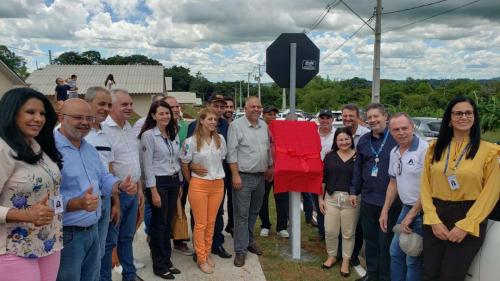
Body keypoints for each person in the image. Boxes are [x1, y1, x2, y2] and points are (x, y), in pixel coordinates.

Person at [420, 96, 500, 281]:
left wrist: (466, 224)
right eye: (458, 113)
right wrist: (432, 218)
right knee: (429, 272)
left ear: (474, 117)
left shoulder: (488, 151)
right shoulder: (435, 148)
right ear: (450, 118)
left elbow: (491, 193)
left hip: (469, 215)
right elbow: (425, 186)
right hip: (436, 214)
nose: (463, 117)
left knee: (451, 275)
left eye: (468, 113)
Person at [55, 99, 135, 281]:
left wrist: (119, 185)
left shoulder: (89, 149)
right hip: (67, 234)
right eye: (77, 117)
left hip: (94, 229)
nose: (84, 122)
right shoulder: (50, 150)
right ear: (61, 117)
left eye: (89, 118)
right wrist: (77, 203)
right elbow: (43, 198)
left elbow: (103, 177)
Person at [0, 88, 63, 281]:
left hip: (48, 242)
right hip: (13, 249)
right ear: (11, 112)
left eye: (42, 113)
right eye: (30, 112)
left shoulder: (37, 147)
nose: (39, 118)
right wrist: (24, 215)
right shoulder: (2, 149)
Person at [350, 103, 399, 281]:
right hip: (368, 200)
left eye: (376, 116)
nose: (372, 120)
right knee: (370, 241)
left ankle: (384, 278)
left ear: (386, 116)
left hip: (391, 203)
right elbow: (357, 168)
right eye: (369, 117)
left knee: (385, 244)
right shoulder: (364, 141)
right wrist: (353, 191)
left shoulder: (396, 138)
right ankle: (372, 275)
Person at [379, 113, 428, 281]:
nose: (401, 132)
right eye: (396, 129)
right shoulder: (395, 151)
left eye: (404, 128)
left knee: (412, 257)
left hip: (422, 211)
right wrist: (385, 210)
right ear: (391, 132)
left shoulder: (425, 150)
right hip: (406, 208)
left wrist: (412, 214)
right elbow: (393, 182)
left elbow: (430, 189)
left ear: (412, 127)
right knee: (395, 252)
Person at [101, 89, 144, 281]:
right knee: (110, 241)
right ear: (111, 107)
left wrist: (140, 189)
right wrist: (116, 199)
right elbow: (107, 167)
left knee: (127, 237)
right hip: (116, 194)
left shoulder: (129, 127)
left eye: (131, 104)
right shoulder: (103, 129)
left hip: (133, 191)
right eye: (124, 104)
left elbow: (134, 161)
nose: (129, 108)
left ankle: (129, 274)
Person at [227, 96, 273, 267]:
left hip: (260, 177)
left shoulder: (264, 126)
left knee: (254, 212)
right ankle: (240, 250)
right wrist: (235, 175)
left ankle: (249, 241)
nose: (256, 109)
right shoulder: (236, 126)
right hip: (243, 177)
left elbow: (267, 149)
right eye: (252, 106)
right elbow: (231, 152)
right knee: (241, 215)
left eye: (258, 106)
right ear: (245, 108)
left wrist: (270, 166)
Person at [180, 108, 227, 274]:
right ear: (201, 120)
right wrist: (191, 181)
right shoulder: (189, 142)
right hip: (199, 184)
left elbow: (220, 160)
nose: (213, 122)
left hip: (218, 184)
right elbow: (184, 163)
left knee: (211, 223)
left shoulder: (220, 139)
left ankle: (207, 252)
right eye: (209, 119)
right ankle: (201, 258)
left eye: (215, 119)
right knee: (200, 224)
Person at [139, 100, 182, 279]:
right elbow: (147, 166)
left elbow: (177, 160)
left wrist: (179, 183)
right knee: (159, 224)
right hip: (158, 183)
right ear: (153, 116)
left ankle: (167, 260)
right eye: (161, 113)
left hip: (173, 182)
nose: (165, 116)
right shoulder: (148, 135)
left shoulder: (173, 133)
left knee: (167, 224)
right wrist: (153, 191)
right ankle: (159, 264)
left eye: (167, 113)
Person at [187, 94, 232, 259]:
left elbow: (222, 157)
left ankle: (214, 245)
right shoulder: (194, 129)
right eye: (216, 105)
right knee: (200, 220)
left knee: (215, 217)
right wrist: (191, 171)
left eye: (222, 106)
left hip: (218, 181)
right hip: (200, 182)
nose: (219, 110)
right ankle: (199, 253)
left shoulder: (225, 127)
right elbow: (187, 158)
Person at [83, 87, 121, 275]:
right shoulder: (69, 132)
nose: (106, 108)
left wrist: (115, 202)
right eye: (101, 104)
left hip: (105, 198)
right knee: (86, 253)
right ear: (87, 103)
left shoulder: (106, 134)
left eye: (108, 105)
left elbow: (109, 169)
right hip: (83, 202)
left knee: (102, 248)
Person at [319, 127, 359, 277]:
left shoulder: (358, 157)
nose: (344, 142)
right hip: (331, 198)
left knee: (348, 233)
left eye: (347, 139)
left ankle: (346, 261)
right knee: (330, 231)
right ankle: (332, 256)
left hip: (351, 200)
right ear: (336, 141)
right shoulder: (329, 156)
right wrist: (320, 198)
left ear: (351, 139)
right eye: (340, 139)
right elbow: (323, 178)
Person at [341, 103, 370, 266]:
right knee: (342, 221)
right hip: (341, 183)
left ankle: (353, 254)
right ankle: (341, 252)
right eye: (345, 116)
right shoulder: (340, 134)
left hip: (360, 184)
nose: (347, 119)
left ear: (357, 117)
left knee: (357, 223)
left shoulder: (366, 135)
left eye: (351, 116)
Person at [259, 105, 289, 238]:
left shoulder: (280, 128)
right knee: (262, 199)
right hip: (264, 169)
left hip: (280, 169)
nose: (272, 117)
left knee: (282, 199)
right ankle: (265, 225)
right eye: (269, 114)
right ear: (263, 114)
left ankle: (282, 227)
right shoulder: (259, 128)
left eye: (274, 114)